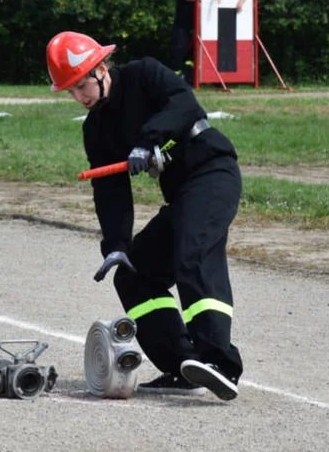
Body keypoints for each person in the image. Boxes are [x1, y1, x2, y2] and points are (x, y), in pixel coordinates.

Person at [46, 31, 244, 401]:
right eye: (70, 91)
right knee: (134, 276)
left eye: (81, 85)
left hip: (212, 174)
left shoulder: (145, 74)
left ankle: (220, 362)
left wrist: (149, 139)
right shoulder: (96, 128)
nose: (79, 97)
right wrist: (117, 244)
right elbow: (110, 189)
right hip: (181, 196)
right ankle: (183, 366)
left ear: (101, 69)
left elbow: (185, 105)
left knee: (192, 252)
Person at [170, 0, 202, 81]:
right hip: (180, 30)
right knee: (179, 53)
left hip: (191, 31)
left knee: (190, 55)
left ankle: (188, 76)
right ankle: (176, 76)